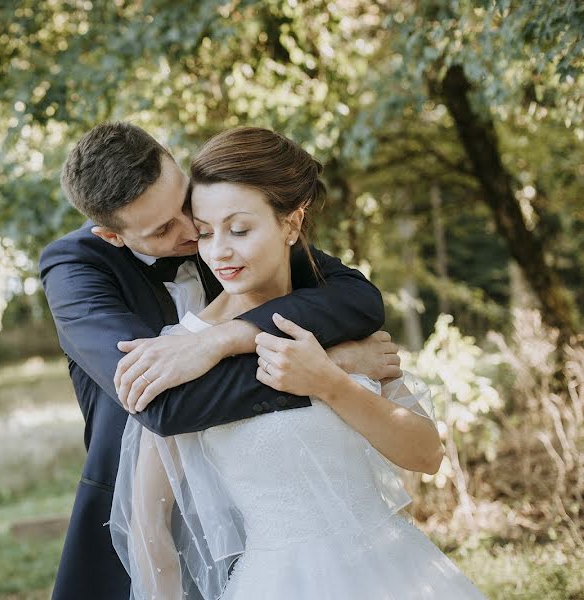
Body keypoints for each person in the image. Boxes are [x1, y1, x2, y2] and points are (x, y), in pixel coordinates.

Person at [109, 127, 486, 599]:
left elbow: (426, 455)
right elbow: (149, 525)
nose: (218, 251)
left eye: (240, 229)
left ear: (291, 224)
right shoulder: (181, 352)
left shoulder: (337, 319)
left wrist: (331, 381)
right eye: (205, 232)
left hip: (397, 573)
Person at [39, 122, 400, 600]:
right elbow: (165, 408)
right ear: (113, 236)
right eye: (164, 229)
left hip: (264, 509)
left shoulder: (220, 228)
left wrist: (229, 337)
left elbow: (357, 299)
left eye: (184, 203)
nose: (194, 232)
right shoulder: (74, 270)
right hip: (137, 517)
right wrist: (332, 363)